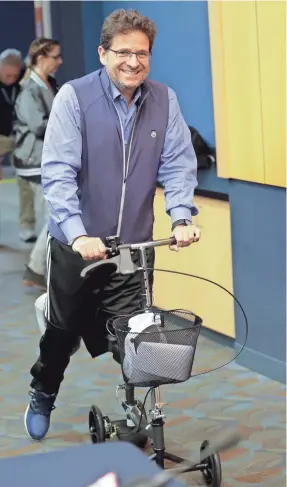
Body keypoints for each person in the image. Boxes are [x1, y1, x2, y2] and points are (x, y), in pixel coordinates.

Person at [24, 9, 200, 441]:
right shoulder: (74, 97)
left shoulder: (164, 100)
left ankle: (135, 409)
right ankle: (42, 392)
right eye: (123, 52)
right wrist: (77, 232)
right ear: (103, 53)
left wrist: (181, 215)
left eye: (142, 54)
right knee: (61, 335)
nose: (133, 62)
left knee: (136, 337)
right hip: (76, 247)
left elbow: (178, 164)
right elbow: (59, 171)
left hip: (133, 249)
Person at [13, 38, 62, 289]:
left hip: (46, 160)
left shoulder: (47, 84)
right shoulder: (30, 91)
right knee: (57, 218)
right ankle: (37, 269)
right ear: (42, 59)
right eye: (56, 57)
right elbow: (39, 126)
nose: (60, 61)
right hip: (36, 162)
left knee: (56, 217)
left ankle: (38, 269)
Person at [0, 49, 36, 242]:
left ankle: (27, 226)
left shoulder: (23, 79)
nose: (11, 79)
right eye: (7, 75)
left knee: (25, 181)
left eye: (15, 75)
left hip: (19, 136)